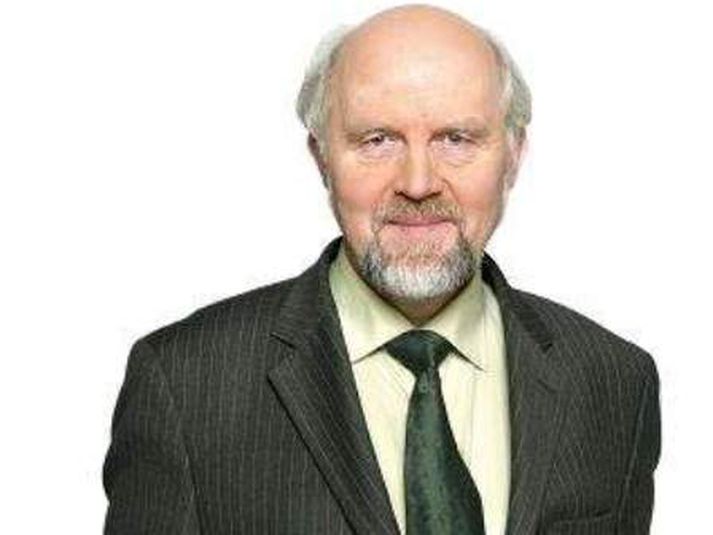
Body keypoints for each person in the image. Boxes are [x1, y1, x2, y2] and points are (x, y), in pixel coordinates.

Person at [102, 4, 661, 535]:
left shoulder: (613, 381)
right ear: (321, 157)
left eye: (456, 139)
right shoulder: (185, 384)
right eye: (377, 140)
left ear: (513, 155)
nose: (418, 183)